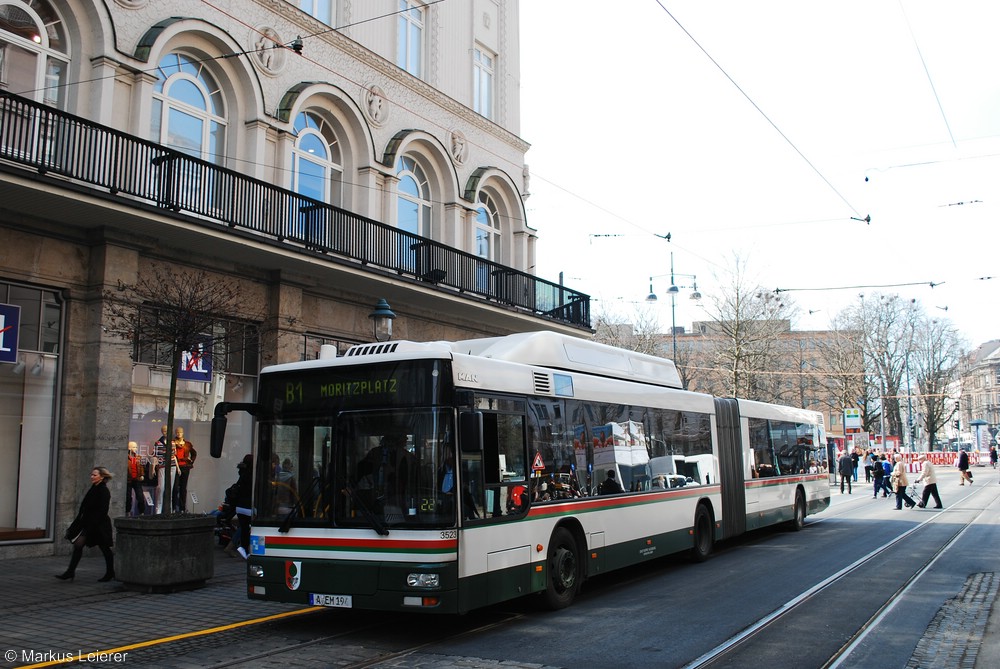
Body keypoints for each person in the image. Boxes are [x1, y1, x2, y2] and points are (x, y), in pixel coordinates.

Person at [57, 467, 116, 582]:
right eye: (92, 474)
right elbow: (85, 507)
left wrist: (92, 524)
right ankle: (70, 571)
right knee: (79, 545)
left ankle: (110, 572)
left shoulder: (103, 490)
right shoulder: (94, 488)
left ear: (102, 477)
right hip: (89, 523)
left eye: (95, 475)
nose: (92, 477)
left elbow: (103, 510)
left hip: (99, 525)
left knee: (105, 548)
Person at [152, 425, 176, 513]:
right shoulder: (158, 443)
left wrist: (177, 467)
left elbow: (174, 456)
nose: (166, 432)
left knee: (170, 488)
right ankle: (158, 510)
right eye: (164, 431)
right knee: (161, 488)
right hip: (162, 466)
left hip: (172, 466)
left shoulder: (173, 442)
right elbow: (155, 456)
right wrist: (153, 467)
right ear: (162, 432)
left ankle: (169, 509)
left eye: (167, 431)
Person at [172, 426, 196, 512]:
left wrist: (191, 461)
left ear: (183, 433)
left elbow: (194, 453)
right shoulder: (173, 443)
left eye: (180, 432)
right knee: (175, 488)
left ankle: (182, 508)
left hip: (185, 467)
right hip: (175, 467)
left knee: (183, 488)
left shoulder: (187, 444)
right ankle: (173, 507)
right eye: (177, 432)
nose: (179, 434)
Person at [126, 441, 146, 516]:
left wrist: (142, 475)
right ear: (129, 448)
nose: (136, 448)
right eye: (134, 447)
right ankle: (127, 512)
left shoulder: (137, 457)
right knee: (128, 497)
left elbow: (140, 467)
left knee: (140, 496)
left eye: (136, 447)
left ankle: (142, 512)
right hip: (128, 480)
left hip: (136, 480)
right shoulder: (126, 458)